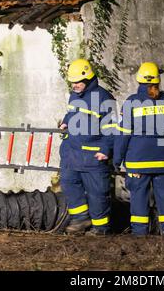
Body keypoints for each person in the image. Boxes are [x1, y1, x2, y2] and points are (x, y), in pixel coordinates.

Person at [113, 62, 164, 236]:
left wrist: (117, 160)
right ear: (158, 80)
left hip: (138, 163)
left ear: (139, 81)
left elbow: (123, 136)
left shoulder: (131, 103)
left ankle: (140, 238)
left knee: (138, 200)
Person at [59, 59, 116, 236]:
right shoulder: (75, 95)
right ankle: (81, 218)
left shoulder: (104, 98)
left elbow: (112, 129)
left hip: (93, 155)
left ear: (89, 78)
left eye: (77, 82)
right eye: (72, 82)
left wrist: (106, 149)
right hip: (72, 154)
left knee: (97, 193)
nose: (74, 85)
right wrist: (66, 121)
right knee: (69, 184)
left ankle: (100, 229)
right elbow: (72, 112)